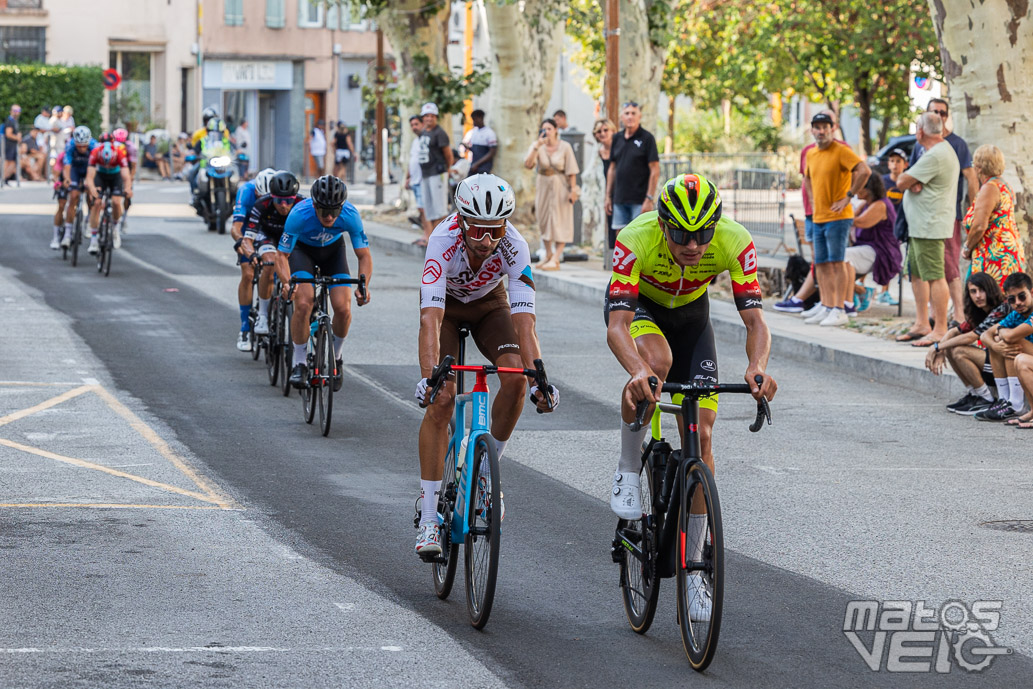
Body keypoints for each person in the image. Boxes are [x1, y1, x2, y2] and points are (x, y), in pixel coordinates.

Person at [605, 173, 776, 618]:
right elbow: (616, 326)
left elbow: (755, 321)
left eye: (703, 234)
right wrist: (638, 370)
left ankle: (696, 570)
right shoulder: (635, 236)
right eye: (682, 234)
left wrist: (757, 367)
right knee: (656, 363)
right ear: (663, 225)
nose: (695, 245)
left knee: (702, 436)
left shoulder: (735, 240)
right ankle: (627, 465)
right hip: (643, 308)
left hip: (693, 319)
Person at [413, 173, 557, 555]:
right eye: (477, 230)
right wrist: (429, 377)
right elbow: (430, 319)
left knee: (516, 379)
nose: (487, 241)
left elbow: (525, 321)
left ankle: (485, 473)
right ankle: (429, 518)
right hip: (446, 308)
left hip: (489, 306)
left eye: (495, 230)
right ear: (461, 220)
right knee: (442, 398)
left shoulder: (515, 245)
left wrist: (539, 375)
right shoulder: (441, 240)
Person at [276, 175, 372, 390]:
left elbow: (364, 256)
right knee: (302, 303)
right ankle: (299, 362)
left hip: (333, 252)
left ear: (341, 207)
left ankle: (336, 358)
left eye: (334, 211)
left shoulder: (350, 214)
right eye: (323, 211)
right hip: (303, 252)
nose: (329, 217)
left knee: (343, 308)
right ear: (314, 205)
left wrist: (363, 286)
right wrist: (286, 282)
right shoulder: (299, 214)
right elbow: (281, 255)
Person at [895, 112, 961, 346]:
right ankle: (922, 323)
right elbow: (908, 180)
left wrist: (910, 180)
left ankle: (940, 328)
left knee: (934, 276)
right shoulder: (933, 153)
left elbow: (901, 181)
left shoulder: (936, 155)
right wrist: (913, 180)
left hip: (929, 226)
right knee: (916, 273)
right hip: (921, 226)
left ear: (921, 131)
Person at [909, 99, 978, 319]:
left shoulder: (956, 144)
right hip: (921, 219)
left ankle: (958, 314)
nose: (939, 115)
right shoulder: (919, 146)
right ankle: (931, 316)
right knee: (921, 269)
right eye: (934, 112)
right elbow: (911, 176)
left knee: (948, 267)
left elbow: (970, 176)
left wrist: (973, 211)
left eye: (943, 112)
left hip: (947, 216)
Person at [801, 112, 871, 327]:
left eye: (825, 127)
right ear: (812, 130)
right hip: (818, 216)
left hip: (839, 218)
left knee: (836, 263)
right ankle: (827, 305)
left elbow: (864, 170)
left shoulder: (841, 151)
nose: (821, 131)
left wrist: (848, 197)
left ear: (833, 128)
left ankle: (839, 309)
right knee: (821, 264)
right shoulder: (811, 154)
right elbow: (807, 178)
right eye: (817, 127)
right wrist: (812, 201)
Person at [926, 272, 1004, 415]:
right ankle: (975, 394)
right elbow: (954, 331)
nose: (978, 296)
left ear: (991, 290)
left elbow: (970, 337)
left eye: (982, 290)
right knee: (951, 348)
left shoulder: (1001, 309)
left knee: (959, 351)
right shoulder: (979, 311)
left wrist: (937, 347)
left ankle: (986, 398)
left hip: (1006, 364)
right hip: (993, 362)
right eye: (973, 291)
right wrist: (941, 349)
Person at [242, 171, 302, 337]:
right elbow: (247, 240)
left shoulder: (303, 204)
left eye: (288, 201)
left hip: (290, 238)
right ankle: (263, 315)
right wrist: (253, 255)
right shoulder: (261, 204)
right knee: (269, 264)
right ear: (271, 197)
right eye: (278, 200)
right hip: (267, 236)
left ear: (295, 198)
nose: (283, 205)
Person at [963, 144, 1026, 286]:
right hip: (1006, 251)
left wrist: (967, 248)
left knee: (989, 300)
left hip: (994, 255)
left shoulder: (989, 188)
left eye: (974, 164)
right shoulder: (1003, 185)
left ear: (979, 167)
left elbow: (979, 226)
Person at [524, 118, 580, 271]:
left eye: (549, 128)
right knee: (543, 219)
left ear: (555, 130)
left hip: (560, 186)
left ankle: (556, 258)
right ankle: (548, 254)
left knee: (561, 220)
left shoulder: (565, 147)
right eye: (544, 129)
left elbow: (572, 170)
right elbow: (528, 165)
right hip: (543, 185)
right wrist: (536, 146)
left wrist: (573, 190)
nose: (546, 132)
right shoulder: (538, 147)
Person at [230, 167, 276, 351]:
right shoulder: (246, 192)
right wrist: (242, 244)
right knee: (248, 273)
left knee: (275, 269)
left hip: (271, 231)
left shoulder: (280, 193)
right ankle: (244, 328)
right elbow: (236, 228)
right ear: (256, 191)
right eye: (261, 197)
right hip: (250, 231)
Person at [978, 272, 1033, 421]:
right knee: (996, 342)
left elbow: (1009, 336)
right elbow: (984, 335)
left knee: (1009, 340)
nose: (1018, 303)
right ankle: (1004, 399)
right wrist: (996, 346)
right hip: (1027, 359)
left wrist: (1001, 333)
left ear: (1032, 292)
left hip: (1028, 361)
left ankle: (1016, 404)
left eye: (1022, 296)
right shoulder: (1016, 315)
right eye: (1012, 299)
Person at [844, 173, 900, 311]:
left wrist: (839, 213)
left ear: (869, 189)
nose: (855, 189)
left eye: (859, 186)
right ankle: (859, 291)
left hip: (883, 252)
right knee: (836, 259)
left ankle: (849, 302)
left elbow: (860, 222)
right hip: (868, 248)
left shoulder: (880, 205)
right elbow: (852, 217)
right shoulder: (865, 204)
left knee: (844, 257)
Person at [605, 102, 660, 234]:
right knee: (621, 236)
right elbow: (612, 168)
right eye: (627, 113)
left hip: (640, 200)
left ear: (639, 116)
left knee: (640, 235)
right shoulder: (616, 138)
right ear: (621, 117)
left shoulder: (647, 138)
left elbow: (655, 169)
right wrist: (608, 196)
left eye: (633, 113)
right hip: (620, 198)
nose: (630, 117)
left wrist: (649, 198)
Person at [84, 133, 132, 254]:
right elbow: (89, 177)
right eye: (105, 162)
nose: (107, 164)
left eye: (109, 162)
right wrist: (92, 189)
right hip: (100, 176)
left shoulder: (119, 153)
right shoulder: (95, 152)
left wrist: (128, 189)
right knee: (96, 203)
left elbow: (126, 177)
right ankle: (94, 240)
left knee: (116, 202)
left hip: (115, 176)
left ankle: (115, 227)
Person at [415, 102, 454, 246]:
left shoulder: (440, 133)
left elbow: (448, 154)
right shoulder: (424, 132)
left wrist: (447, 169)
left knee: (439, 209)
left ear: (436, 117)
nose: (429, 119)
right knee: (429, 209)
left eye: (431, 116)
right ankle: (433, 239)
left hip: (437, 174)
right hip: (426, 174)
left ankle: (443, 240)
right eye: (426, 116)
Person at [59, 126, 97, 248]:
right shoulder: (70, 145)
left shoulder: (94, 146)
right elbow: (67, 166)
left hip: (89, 169)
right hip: (75, 169)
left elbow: (96, 167)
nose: (81, 148)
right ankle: (68, 234)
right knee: (74, 196)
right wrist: (67, 179)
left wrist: (90, 182)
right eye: (79, 146)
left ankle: (88, 221)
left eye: (84, 146)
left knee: (91, 195)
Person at [592, 118, 617, 250]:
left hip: (620, 192)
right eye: (599, 131)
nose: (603, 133)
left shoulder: (619, 148)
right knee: (611, 228)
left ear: (613, 131)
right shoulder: (598, 152)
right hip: (606, 193)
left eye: (606, 130)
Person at [404, 115, 426, 229]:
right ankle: (425, 233)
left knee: (424, 208)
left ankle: (428, 234)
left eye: (416, 124)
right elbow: (412, 161)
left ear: (422, 124)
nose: (414, 127)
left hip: (424, 180)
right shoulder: (415, 141)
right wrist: (408, 178)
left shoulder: (426, 140)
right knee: (420, 208)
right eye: (412, 125)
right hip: (415, 179)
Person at [464, 109, 497, 175]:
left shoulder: (489, 133)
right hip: (474, 166)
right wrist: (467, 147)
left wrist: (477, 164)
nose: (473, 122)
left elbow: (492, 152)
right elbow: (475, 150)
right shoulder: (474, 132)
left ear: (481, 118)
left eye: (475, 119)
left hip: (484, 167)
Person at [49, 153, 68, 249]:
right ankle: (55, 237)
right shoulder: (63, 156)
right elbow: (55, 173)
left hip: (77, 178)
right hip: (63, 179)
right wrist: (57, 182)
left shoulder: (87, 154)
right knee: (61, 206)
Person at [3, 104, 21, 183]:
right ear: (11, 111)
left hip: (13, 145)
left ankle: (5, 179)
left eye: (18, 111)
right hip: (8, 145)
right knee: (7, 162)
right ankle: (3, 179)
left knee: (13, 162)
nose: (16, 113)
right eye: (15, 111)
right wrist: (17, 138)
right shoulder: (10, 121)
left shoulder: (14, 121)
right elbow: (8, 134)